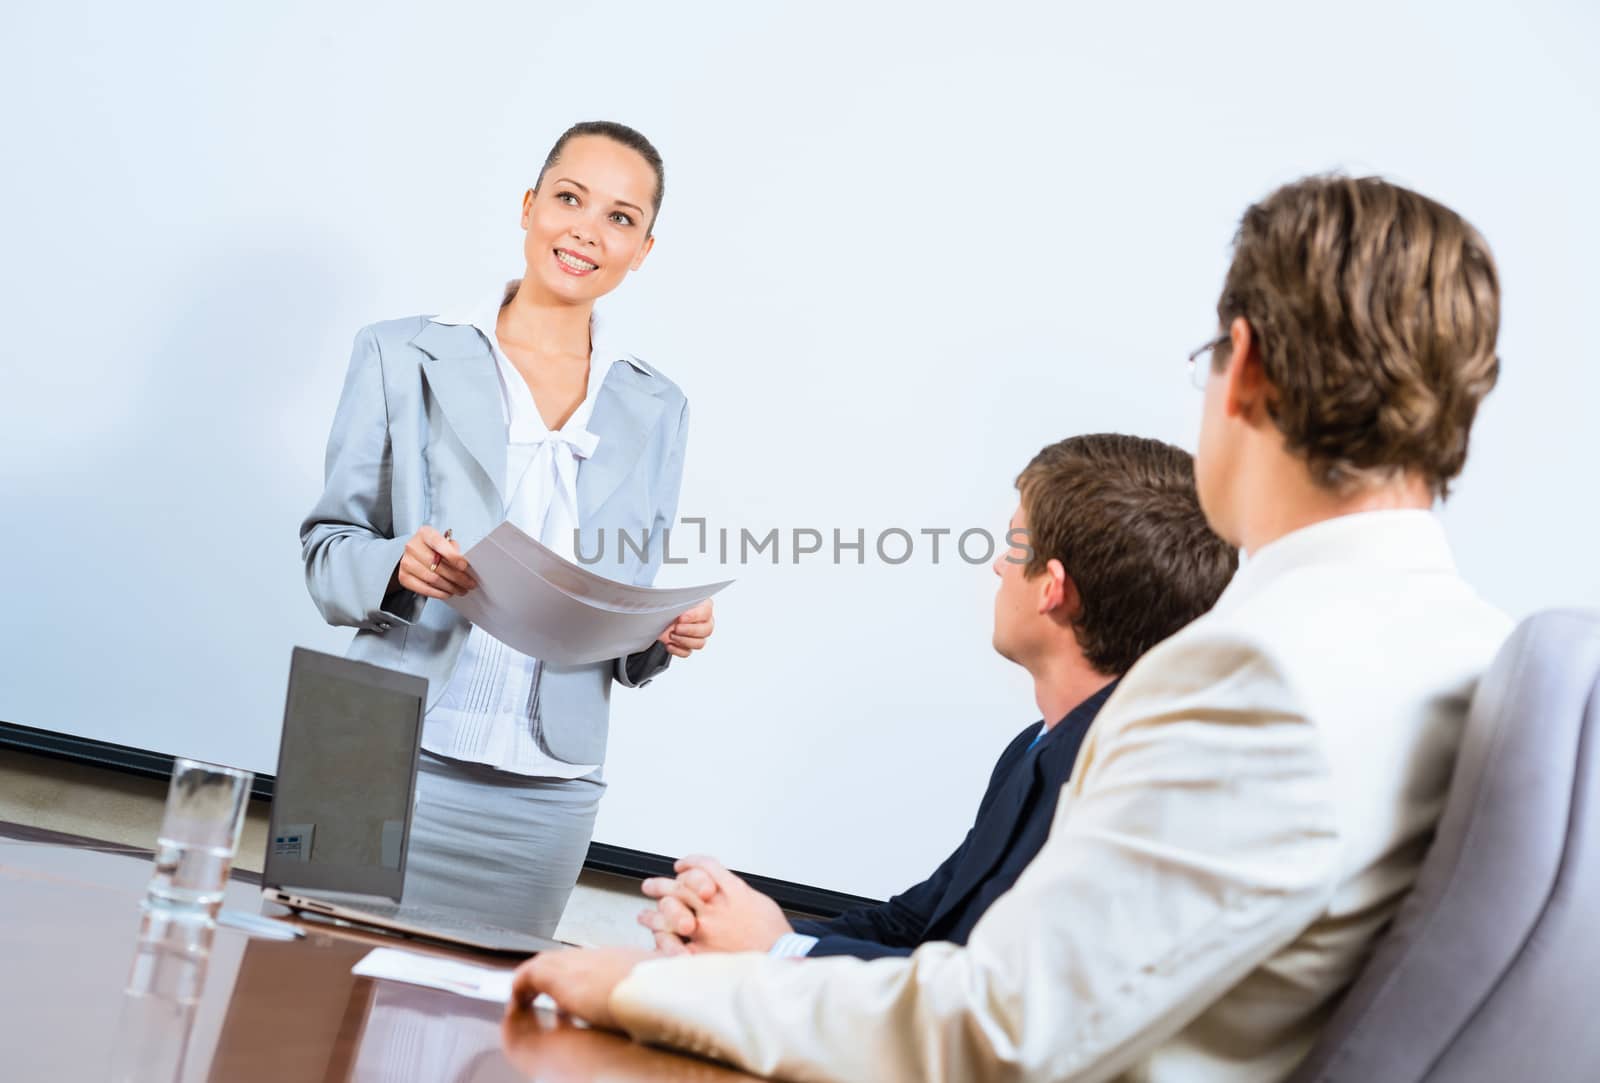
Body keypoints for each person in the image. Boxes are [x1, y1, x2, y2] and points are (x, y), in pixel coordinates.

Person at [511, 173, 1513, 1082]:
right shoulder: (1476, 652)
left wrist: (643, 988)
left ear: (1242, 364)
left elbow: (998, 1032)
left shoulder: (1257, 674)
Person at [300, 120, 715, 938]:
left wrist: (662, 630)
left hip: (548, 784)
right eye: (569, 199)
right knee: (310, 1017)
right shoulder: (399, 354)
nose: (587, 230)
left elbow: (621, 617)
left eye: (621, 218)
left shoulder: (658, 404)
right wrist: (397, 564)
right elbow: (326, 553)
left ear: (644, 251)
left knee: (485, 1043)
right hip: (372, 742)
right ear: (530, 207)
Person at [634, 435, 1237, 961]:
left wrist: (773, 948)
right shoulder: (1036, 748)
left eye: (1015, 546)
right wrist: (736, 932)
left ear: (1053, 590)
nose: (1000, 566)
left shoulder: (1133, 789)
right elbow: (919, 925)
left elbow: (985, 996)